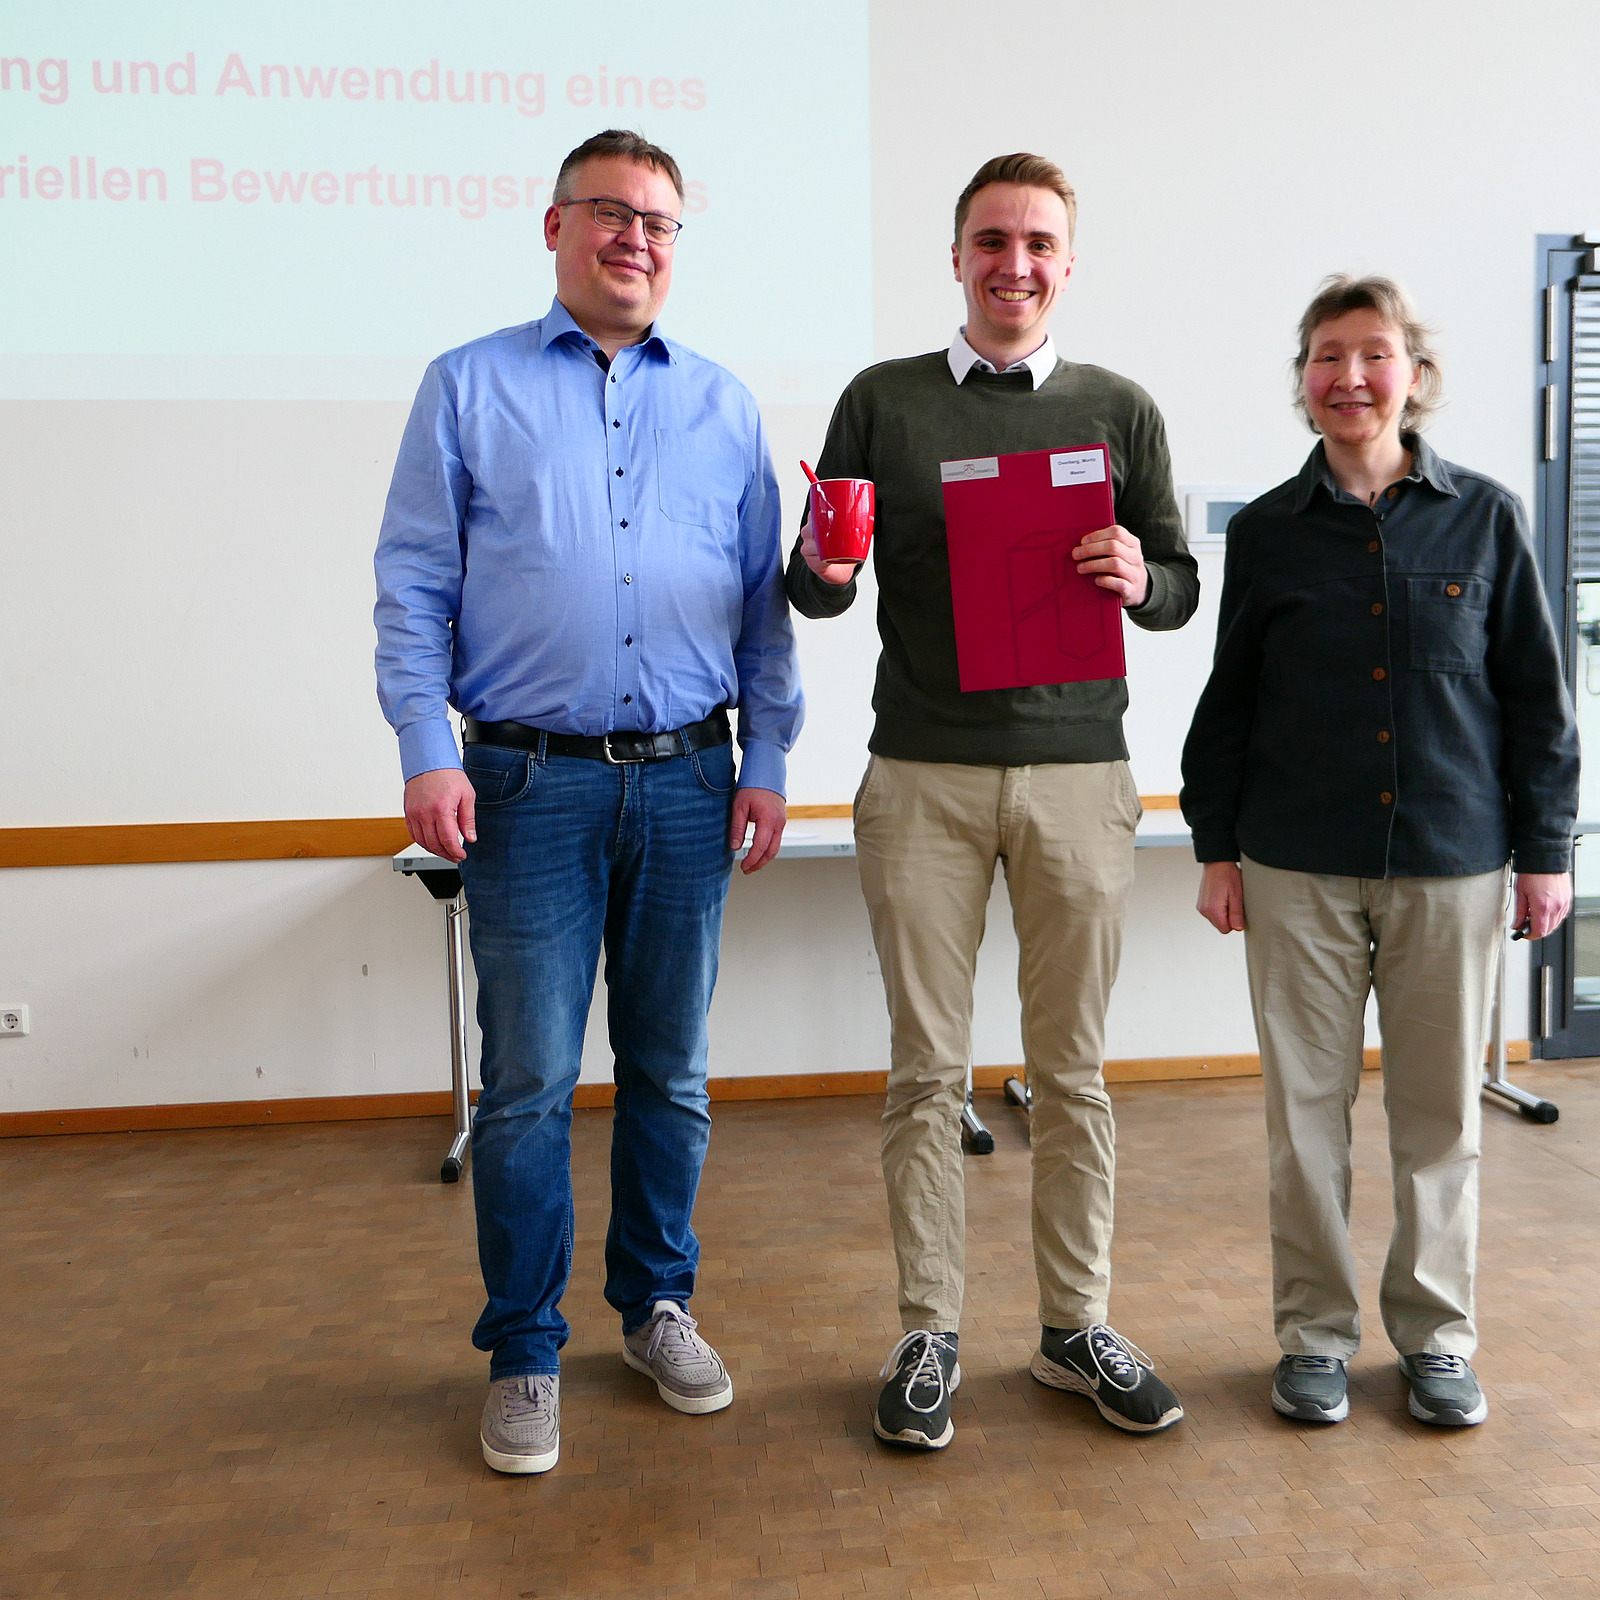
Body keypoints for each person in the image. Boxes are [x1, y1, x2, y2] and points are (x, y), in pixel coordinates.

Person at [373, 128, 802, 1474]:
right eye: (609, 212)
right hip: (522, 783)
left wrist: (768, 759)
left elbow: (761, 608)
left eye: (659, 221)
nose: (635, 238)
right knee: (527, 1087)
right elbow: (412, 586)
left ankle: (657, 1304)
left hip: (689, 779)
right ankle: (524, 1348)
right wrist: (424, 747)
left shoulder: (724, 405)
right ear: (554, 226)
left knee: (671, 1073)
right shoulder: (468, 386)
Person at [787, 152, 1199, 1450]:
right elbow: (817, 589)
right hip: (922, 775)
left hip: (1080, 773)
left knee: (1072, 1073)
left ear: (1066, 263)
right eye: (990, 241)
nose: (1013, 264)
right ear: (956, 256)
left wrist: (1142, 572)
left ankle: (1076, 1329)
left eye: (1036, 244)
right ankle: (929, 1332)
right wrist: (819, 564)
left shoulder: (1119, 408)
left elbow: (1181, 586)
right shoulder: (883, 401)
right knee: (928, 1072)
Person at [1181, 274, 1578, 1429]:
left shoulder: (1486, 516)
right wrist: (1216, 847)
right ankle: (1312, 1336)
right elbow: (1230, 702)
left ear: (1414, 374)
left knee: (1439, 1121)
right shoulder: (1267, 530)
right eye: (1325, 356)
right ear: (1302, 381)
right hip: (1294, 863)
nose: (1348, 377)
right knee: (1302, 1120)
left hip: (1452, 860)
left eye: (1372, 354)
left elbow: (1537, 699)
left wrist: (1546, 850)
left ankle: (1436, 1339)